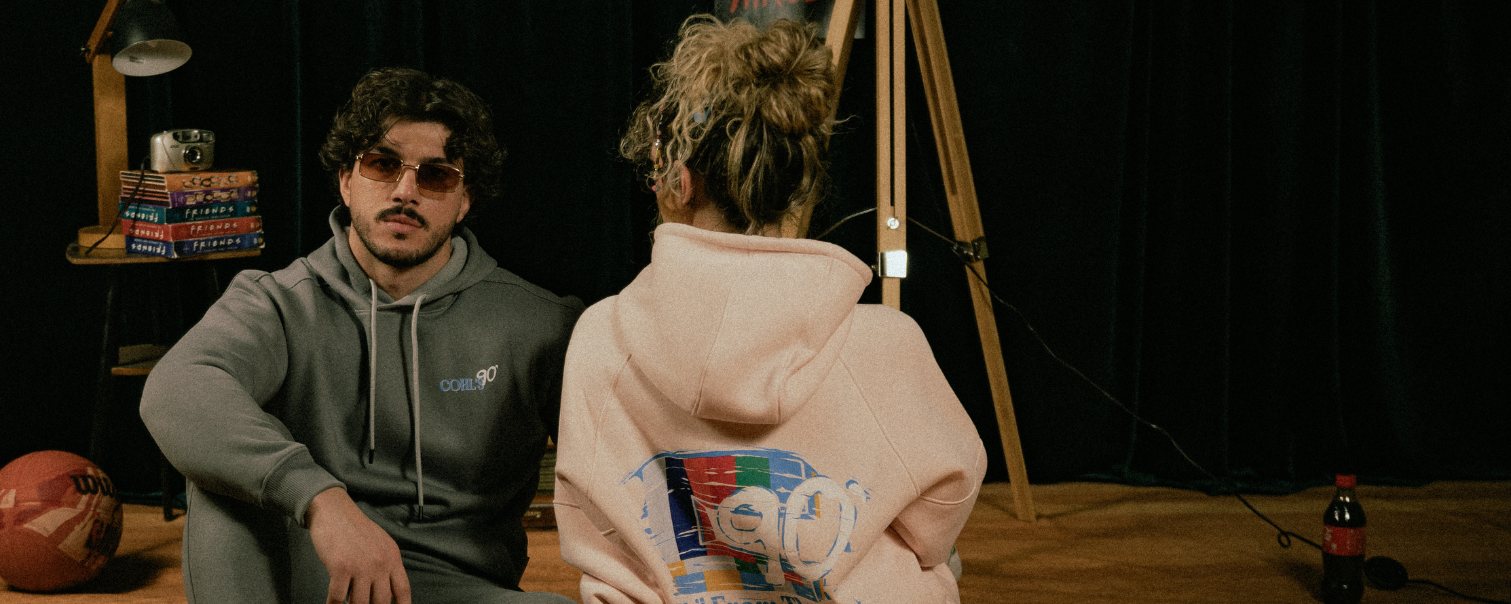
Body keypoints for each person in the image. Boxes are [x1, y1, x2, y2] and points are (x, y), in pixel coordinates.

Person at [551, 16, 987, 604]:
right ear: (800, 184)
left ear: (680, 181)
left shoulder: (600, 336)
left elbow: (594, 534)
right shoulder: (888, 342)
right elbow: (941, 515)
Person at [141, 67, 584, 604]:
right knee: (220, 467)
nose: (405, 191)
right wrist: (321, 500)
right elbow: (176, 388)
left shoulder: (539, 323)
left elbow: (623, 466)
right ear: (346, 181)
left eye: (436, 175)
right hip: (311, 574)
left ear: (465, 200)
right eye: (382, 164)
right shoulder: (279, 302)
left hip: (455, 587)